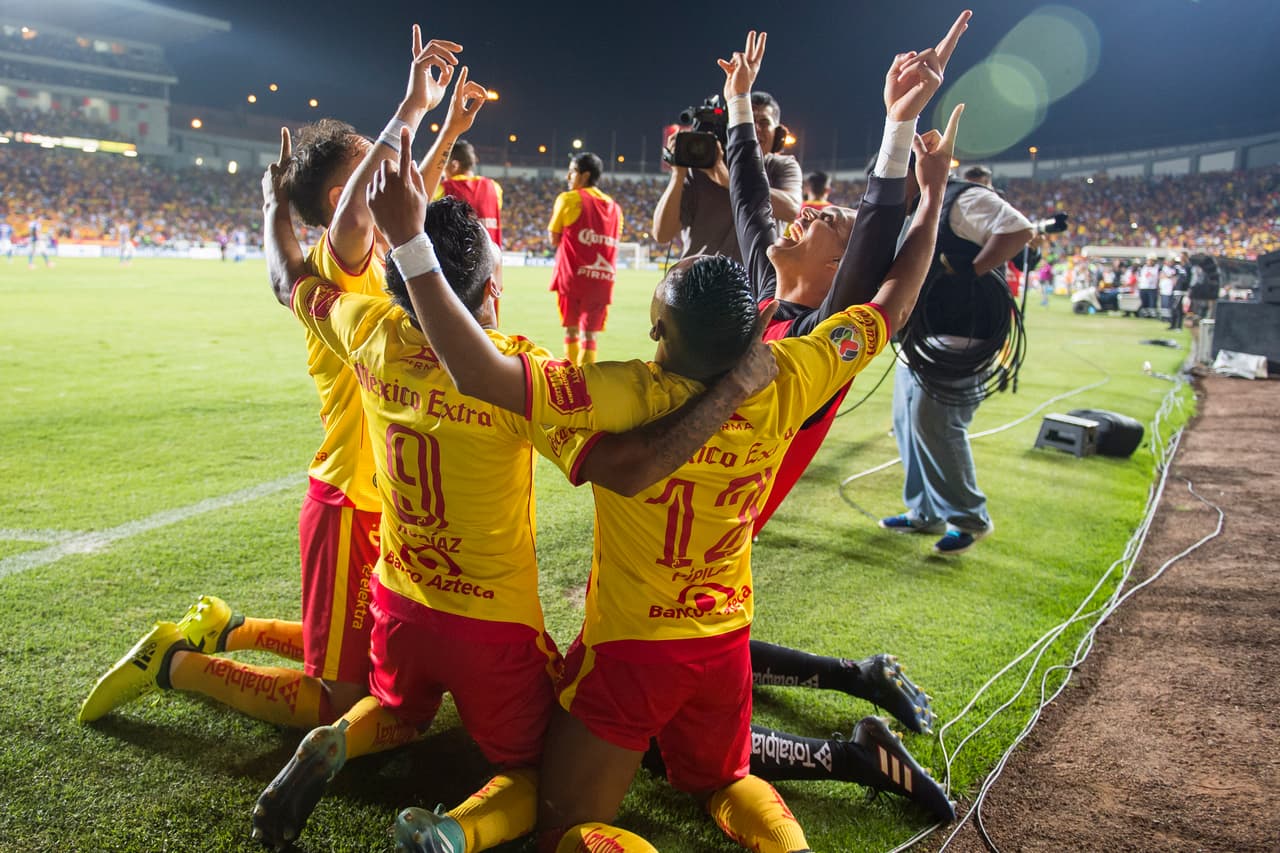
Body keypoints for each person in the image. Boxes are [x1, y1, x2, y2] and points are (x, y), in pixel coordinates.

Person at [385, 31, 964, 851]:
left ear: (664, 334)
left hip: (636, 642)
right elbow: (885, 293)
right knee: (723, 777)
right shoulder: (789, 365)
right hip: (721, 629)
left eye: (655, 323)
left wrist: (411, 247)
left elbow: (484, 377)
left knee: (567, 819)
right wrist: (930, 196)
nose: (649, 332)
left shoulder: (631, 390)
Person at [262, 112, 776, 853]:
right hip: (493, 625)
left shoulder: (367, 328)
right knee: (537, 772)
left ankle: (338, 737)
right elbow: (621, 463)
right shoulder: (520, 370)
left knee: (397, 706)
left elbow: (289, 279)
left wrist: (277, 201)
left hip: (401, 599)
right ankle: (452, 833)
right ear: (491, 291)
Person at [77, 27, 464, 754]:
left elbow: (407, 193)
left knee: (369, 663)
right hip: (349, 502)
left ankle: (231, 626)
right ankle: (178, 662)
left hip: (375, 501)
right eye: (365, 172)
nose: (387, 176)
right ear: (337, 195)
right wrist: (409, 108)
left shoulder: (370, 256)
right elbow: (354, 214)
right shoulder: (340, 258)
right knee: (337, 699)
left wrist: (443, 128)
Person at [729, 10, 970, 536]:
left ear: (840, 266)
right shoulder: (769, 297)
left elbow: (875, 242)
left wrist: (900, 126)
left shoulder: (818, 342)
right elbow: (749, 201)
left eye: (829, 221)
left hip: (706, 554)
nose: (809, 212)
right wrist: (739, 104)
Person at [880, 120, 1033, 557]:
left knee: (936, 423)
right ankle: (923, 511)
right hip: (922, 337)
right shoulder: (917, 208)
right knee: (907, 422)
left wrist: (973, 270)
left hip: (962, 333)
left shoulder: (964, 198)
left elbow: (1020, 230)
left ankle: (969, 517)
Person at [652, 89, 801, 263]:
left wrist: (729, 180)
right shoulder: (702, 166)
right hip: (699, 283)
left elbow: (791, 209)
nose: (756, 130)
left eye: (764, 122)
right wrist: (678, 174)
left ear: (778, 134)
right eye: (749, 122)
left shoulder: (782, 166)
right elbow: (662, 234)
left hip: (754, 286)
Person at [548, 152, 622, 365]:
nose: (568, 177)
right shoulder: (615, 209)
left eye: (572, 171)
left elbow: (554, 238)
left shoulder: (569, 199)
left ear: (585, 175)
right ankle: (587, 381)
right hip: (601, 279)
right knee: (590, 336)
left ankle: (571, 376)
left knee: (571, 330)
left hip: (572, 276)